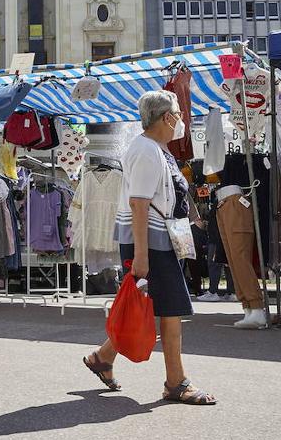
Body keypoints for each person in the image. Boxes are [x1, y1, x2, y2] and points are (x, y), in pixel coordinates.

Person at [82, 89, 215, 405]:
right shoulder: (145, 150)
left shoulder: (156, 149)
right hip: (150, 245)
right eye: (179, 114)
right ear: (167, 117)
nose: (181, 120)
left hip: (159, 242)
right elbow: (138, 204)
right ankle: (176, 383)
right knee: (170, 310)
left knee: (153, 308)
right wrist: (141, 255)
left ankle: (103, 358)